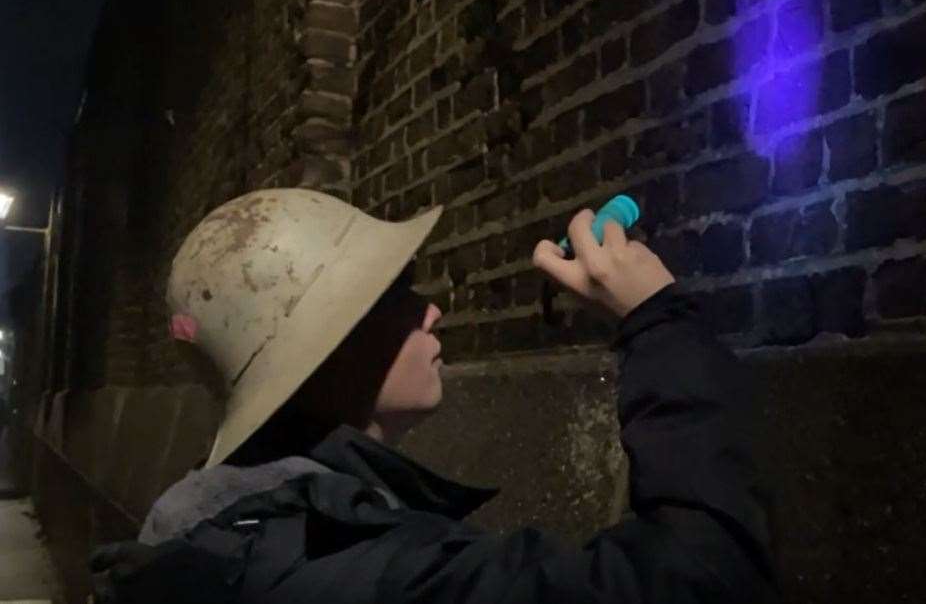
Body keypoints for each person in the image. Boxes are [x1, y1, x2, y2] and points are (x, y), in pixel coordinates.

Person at [88, 188, 775, 603]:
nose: (432, 312)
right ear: (326, 351)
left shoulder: (231, 528)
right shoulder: (359, 574)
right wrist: (655, 319)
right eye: (395, 297)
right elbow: (697, 582)